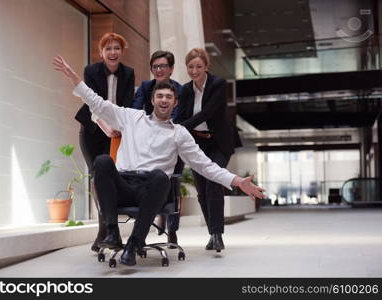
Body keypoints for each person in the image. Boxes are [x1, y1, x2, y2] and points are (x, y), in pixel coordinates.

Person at [52, 55, 265, 266]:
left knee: (161, 177)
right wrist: (73, 77)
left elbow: (205, 165)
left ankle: (134, 244)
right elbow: (96, 102)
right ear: (152, 100)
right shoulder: (131, 117)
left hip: (152, 189)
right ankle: (112, 233)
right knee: (102, 162)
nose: (164, 100)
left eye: (169, 97)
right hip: (124, 185)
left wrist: (237, 181)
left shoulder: (179, 133)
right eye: (160, 96)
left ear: (175, 103)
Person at [74, 33, 135, 252]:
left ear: (122, 51)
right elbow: (90, 101)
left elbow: (127, 105)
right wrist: (105, 126)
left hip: (117, 132)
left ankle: (108, 230)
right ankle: (107, 231)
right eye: (108, 48)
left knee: (112, 178)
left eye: (116, 48)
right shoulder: (91, 71)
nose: (112, 52)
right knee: (95, 177)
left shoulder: (128, 73)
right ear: (102, 52)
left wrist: (118, 128)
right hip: (92, 130)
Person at [176, 48, 235, 252]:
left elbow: (208, 112)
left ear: (206, 66)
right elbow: (181, 113)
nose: (194, 70)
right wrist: (170, 128)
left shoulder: (218, 84)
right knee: (202, 191)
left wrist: (181, 127)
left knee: (213, 181)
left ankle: (218, 235)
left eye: (199, 66)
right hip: (197, 144)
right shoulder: (185, 90)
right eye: (191, 67)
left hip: (219, 143)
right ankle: (212, 233)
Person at [132, 50, 183, 246]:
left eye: (162, 66)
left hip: (172, 144)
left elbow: (180, 117)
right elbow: (135, 111)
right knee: (142, 183)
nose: (158, 70)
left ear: (171, 69)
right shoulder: (145, 87)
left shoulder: (180, 90)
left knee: (173, 186)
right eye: (155, 67)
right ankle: (142, 230)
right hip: (147, 146)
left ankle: (173, 230)